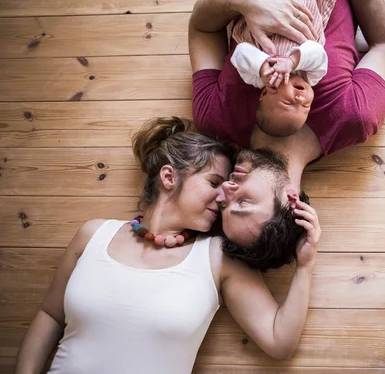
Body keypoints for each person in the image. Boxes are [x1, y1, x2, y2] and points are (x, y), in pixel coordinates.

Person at [15, 117, 321, 374]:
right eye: (214, 182)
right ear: (168, 177)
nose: (223, 195)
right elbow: (50, 315)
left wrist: (305, 266)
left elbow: (279, 340)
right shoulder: (92, 235)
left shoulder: (217, 258)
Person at [189, 0, 385, 268]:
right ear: (291, 202)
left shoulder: (215, 120)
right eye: (242, 203)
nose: (224, 191)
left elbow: (200, 25)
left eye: (224, 204)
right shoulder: (354, 117)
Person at [229, 0, 339, 137]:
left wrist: (262, 68)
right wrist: (293, 62)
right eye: (305, 107)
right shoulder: (310, 76)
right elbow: (318, 54)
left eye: (289, 103)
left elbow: (240, 54)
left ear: (265, 94)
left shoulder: (258, 78)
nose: (301, 99)